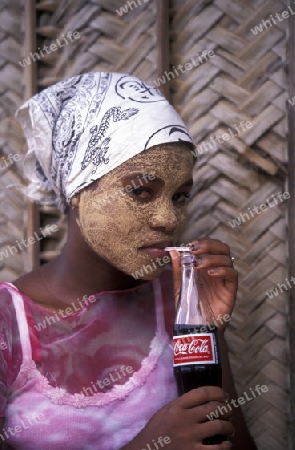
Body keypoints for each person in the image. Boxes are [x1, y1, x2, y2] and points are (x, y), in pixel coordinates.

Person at [0, 72, 257, 450]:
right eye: (140, 191)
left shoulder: (180, 306)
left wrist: (205, 330)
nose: (169, 220)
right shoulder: (10, 323)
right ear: (76, 188)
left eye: (180, 197)